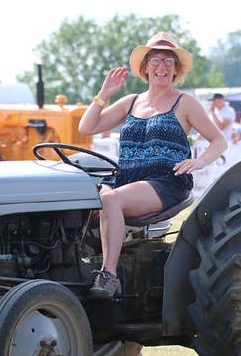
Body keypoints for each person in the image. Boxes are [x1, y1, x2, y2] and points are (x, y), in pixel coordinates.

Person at [78, 32, 227, 298]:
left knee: (110, 200)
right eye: (156, 60)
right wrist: (103, 94)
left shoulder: (185, 103)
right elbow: (86, 127)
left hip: (165, 181)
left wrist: (199, 161)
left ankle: (108, 276)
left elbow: (219, 141)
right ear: (145, 67)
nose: (162, 66)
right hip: (126, 179)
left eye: (169, 61)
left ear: (176, 70)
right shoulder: (130, 102)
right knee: (82, 200)